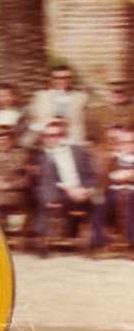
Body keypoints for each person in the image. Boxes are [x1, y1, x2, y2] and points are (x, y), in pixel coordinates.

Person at [32, 118, 107, 256]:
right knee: (46, 197)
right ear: (44, 138)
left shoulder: (78, 151)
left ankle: (96, 244)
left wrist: (86, 190)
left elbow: (91, 175)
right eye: (49, 135)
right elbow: (44, 181)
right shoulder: (41, 156)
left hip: (82, 191)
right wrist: (69, 189)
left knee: (99, 200)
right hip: (59, 192)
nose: (53, 139)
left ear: (63, 136)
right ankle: (42, 240)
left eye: (57, 135)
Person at [24, 65, 90, 146]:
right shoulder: (41, 97)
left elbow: (89, 122)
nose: (62, 81)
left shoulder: (81, 97)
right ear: (51, 79)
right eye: (58, 78)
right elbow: (31, 120)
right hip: (47, 142)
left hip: (74, 142)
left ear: (71, 79)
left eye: (66, 77)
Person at [101, 124, 134, 252]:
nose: (128, 145)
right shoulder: (113, 157)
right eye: (124, 142)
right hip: (114, 191)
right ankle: (101, 240)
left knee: (130, 198)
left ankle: (131, 240)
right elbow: (105, 177)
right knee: (101, 203)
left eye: (131, 142)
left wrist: (130, 175)